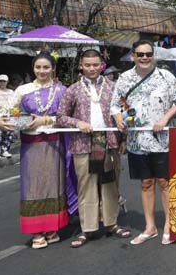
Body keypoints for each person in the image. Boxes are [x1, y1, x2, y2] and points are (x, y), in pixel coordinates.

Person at [111, 39, 176, 246]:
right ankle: (150, 227)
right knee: (146, 183)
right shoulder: (125, 78)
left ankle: (170, 225)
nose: (144, 58)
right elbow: (115, 105)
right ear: (133, 56)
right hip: (137, 141)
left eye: (148, 54)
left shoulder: (166, 76)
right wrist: (118, 119)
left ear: (154, 55)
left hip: (161, 140)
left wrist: (164, 119)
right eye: (140, 54)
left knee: (164, 182)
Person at [0, 53, 67, 249]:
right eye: (38, 67)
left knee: (54, 182)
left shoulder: (61, 90)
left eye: (46, 67)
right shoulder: (23, 90)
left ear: (53, 69)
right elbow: (6, 112)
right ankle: (37, 231)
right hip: (31, 145)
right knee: (33, 185)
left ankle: (52, 228)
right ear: (33, 69)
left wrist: (47, 120)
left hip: (55, 144)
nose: (42, 71)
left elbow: (67, 117)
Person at [56, 49, 131, 248]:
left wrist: (123, 139)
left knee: (110, 184)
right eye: (87, 65)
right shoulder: (72, 89)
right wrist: (77, 123)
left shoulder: (114, 88)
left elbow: (124, 114)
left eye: (95, 65)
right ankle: (87, 229)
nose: (91, 68)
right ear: (81, 65)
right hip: (82, 143)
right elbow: (60, 117)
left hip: (110, 142)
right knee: (86, 187)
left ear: (101, 65)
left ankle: (111, 224)